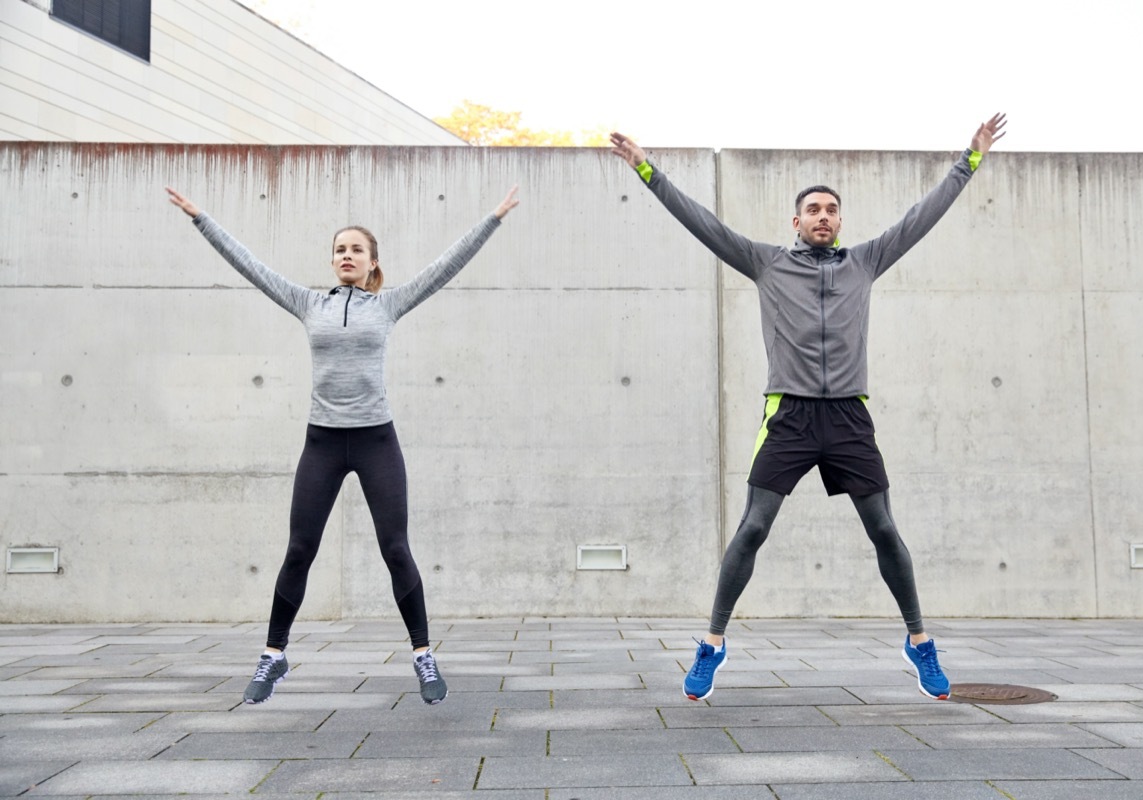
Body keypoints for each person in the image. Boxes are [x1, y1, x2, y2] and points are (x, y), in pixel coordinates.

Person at [611, 114, 1006, 702]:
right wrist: (647, 169)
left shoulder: (865, 262)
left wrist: (969, 160)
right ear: (797, 221)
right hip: (789, 416)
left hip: (849, 417)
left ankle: (920, 643)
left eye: (831, 209)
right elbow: (702, 222)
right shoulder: (767, 262)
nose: (823, 216)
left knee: (885, 530)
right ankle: (713, 644)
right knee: (752, 528)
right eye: (813, 210)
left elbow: (921, 218)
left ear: (840, 220)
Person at [166, 184, 520, 704]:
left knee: (395, 548)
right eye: (339, 249)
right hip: (323, 443)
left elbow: (446, 265)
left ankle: (423, 656)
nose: (346, 255)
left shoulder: (389, 304)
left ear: (373, 261)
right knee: (299, 549)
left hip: (377, 440)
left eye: (356, 249)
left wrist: (492, 218)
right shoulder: (308, 303)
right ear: (332, 261)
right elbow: (251, 265)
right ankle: (273, 655)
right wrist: (202, 219)